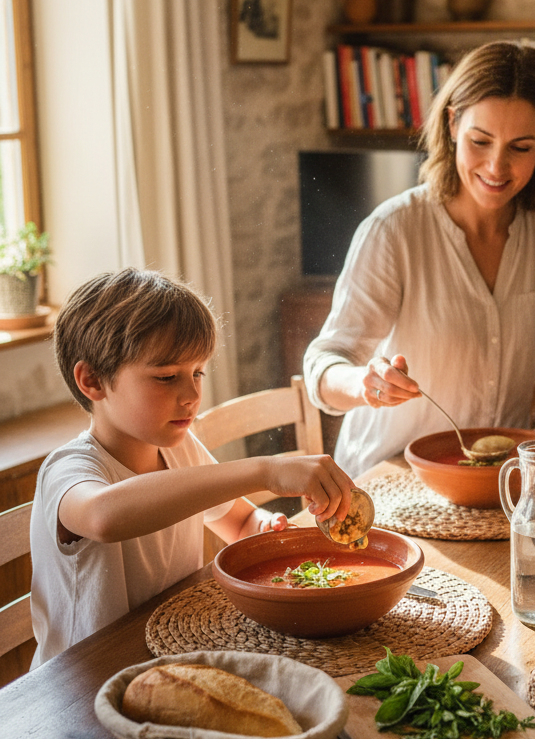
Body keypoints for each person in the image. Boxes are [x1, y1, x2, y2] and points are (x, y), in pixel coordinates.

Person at [30, 268, 354, 667]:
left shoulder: (182, 450)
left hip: (167, 656)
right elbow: (104, 516)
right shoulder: (68, 469)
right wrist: (264, 471)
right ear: (93, 381)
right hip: (81, 684)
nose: (193, 394)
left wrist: (264, 529)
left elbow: (236, 523)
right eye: (167, 377)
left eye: (197, 372)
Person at [304, 41, 535, 477]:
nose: (496, 167)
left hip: (498, 477)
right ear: (453, 123)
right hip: (389, 477)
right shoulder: (394, 230)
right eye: (480, 141)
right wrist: (366, 382)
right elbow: (324, 362)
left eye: (520, 147)